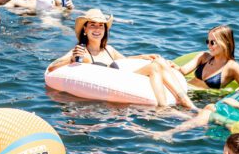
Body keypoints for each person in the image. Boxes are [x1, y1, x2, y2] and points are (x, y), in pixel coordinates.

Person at [47, 8, 196, 109]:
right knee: (155, 66)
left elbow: (126, 61)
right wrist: (71, 59)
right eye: (92, 25)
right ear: (85, 30)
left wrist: (143, 56)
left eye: (101, 26)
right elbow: (52, 67)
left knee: (160, 62)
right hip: (105, 87)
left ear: (105, 30)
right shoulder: (81, 51)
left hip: (123, 81)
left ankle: (185, 103)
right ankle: (165, 107)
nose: (97, 29)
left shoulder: (109, 49)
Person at [176, 26, 239, 91]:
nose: (208, 46)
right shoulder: (204, 56)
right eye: (207, 42)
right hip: (186, 89)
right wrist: (172, 66)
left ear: (225, 42)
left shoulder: (232, 67)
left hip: (203, 99)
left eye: (212, 42)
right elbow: (183, 71)